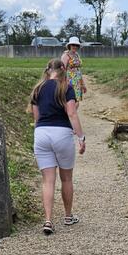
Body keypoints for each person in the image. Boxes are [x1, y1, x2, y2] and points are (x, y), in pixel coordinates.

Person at [29, 57, 86, 235]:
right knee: (66, 178)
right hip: (62, 133)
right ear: (63, 69)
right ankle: (68, 216)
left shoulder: (37, 89)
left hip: (42, 133)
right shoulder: (66, 88)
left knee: (48, 180)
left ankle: (48, 220)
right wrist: (81, 137)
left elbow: (36, 117)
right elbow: (72, 113)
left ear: (48, 70)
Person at [61, 36, 86, 102]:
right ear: (69, 45)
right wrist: (63, 83)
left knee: (77, 100)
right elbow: (62, 70)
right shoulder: (65, 56)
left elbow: (78, 70)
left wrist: (82, 84)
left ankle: (73, 112)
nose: (75, 46)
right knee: (70, 100)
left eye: (76, 45)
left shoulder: (77, 55)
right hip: (69, 82)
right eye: (73, 45)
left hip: (78, 81)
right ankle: (70, 112)